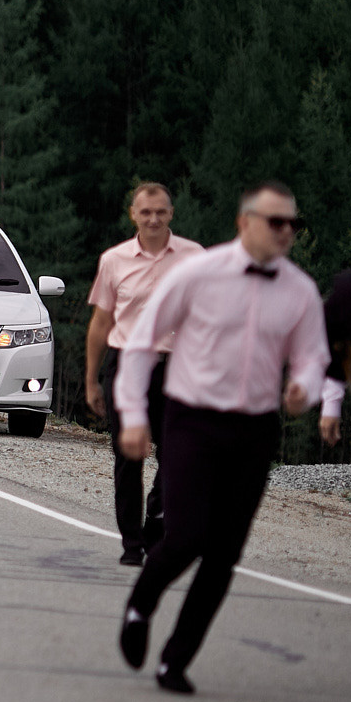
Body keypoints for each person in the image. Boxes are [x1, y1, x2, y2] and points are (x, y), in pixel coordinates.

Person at [115, 181, 332, 694]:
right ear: (245, 223)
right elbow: (143, 344)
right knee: (186, 537)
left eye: (292, 225)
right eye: (276, 222)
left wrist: (305, 387)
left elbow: (313, 356)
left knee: (224, 553)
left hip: (255, 429)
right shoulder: (198, 274)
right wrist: (133, 416)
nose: (286, 233)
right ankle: (140, 605)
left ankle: (176, 659)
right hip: (191, 419)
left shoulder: (299, 290)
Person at [84, 182, 205, 565]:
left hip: (177, 369)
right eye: (145, 212)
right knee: (127, 457)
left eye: (161, 212)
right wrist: (90, 380)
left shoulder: (194, 258)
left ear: (171, 213)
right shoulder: (114, 260)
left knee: (179, 457)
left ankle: (157, 518)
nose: (153, 219)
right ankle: (131, 544)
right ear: (133, 214)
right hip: (125, 365)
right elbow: (101, 323)